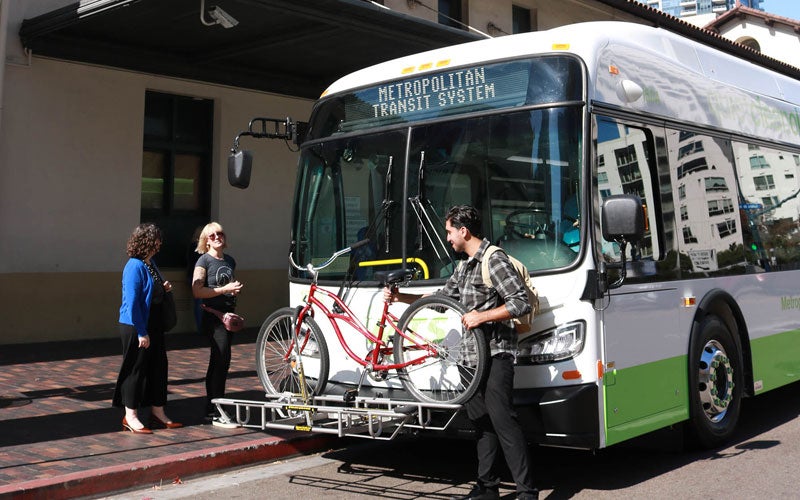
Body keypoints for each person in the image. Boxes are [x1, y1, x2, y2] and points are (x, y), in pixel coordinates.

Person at [385, 205, 537, 500]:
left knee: (504, 421)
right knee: (481, 424)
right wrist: (400, 297)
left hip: (495, 354)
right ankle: (487, 487)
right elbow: (440, 300)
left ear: (464, 231)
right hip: (470, 359)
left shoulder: (494, 261)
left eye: (449, 232)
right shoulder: (464, 266)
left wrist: (481, 317)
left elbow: (520, 303)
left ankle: (527, 492)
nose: (447, 238)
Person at [113, 223, 183, 433]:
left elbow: (150, 291)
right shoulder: (134, 266)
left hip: (154, 323)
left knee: (159, 367)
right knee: (136, 369)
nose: (160, 243)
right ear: (147, 241)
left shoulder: (150, 263)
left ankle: (158, 413)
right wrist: (142, 332)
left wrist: (164, 288)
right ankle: (130, 416)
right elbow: (133, 302)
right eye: (156, 240)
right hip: (136, 325)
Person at [192, 222, 244, 428]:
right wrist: (225, 289)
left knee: (221, 362)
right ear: (206, 240)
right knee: (220, 360)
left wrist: (233, 290)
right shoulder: (203, 260)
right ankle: (216, 410)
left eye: (220, 233)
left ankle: (213, 407)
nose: (216, 237)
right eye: (211, 235)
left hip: (227, 317)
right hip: (213, 318)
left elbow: (226, 286)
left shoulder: (230, 260)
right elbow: (197, 291)